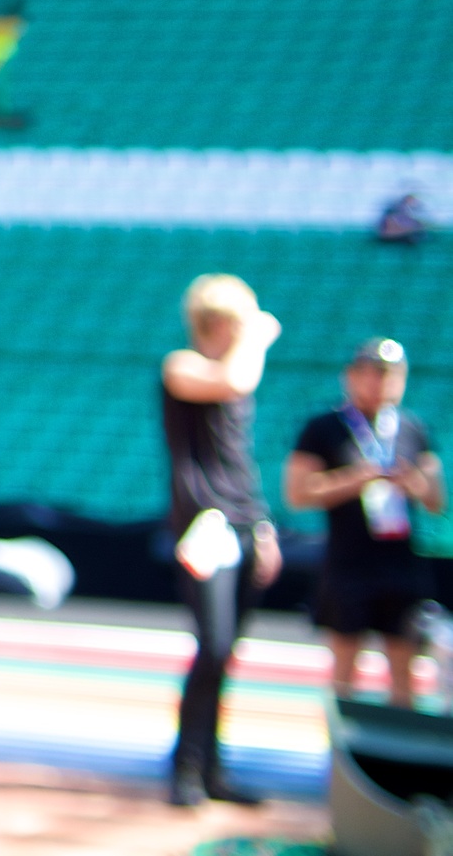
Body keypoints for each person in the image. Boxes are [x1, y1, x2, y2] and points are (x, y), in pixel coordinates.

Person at [162, 272, 284, 808]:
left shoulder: (235, 387)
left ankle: (212, 767)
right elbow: (235, 379)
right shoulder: (181, 368)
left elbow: (239, 462)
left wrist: (262, 526)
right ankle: (186, 768)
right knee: (210, 643)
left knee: (226, 650)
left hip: (241, 523)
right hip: (203, 528)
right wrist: (257, 336)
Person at [285, 339, 444, 707]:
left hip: (401, 563)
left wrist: (413, 484)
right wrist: (356, 479)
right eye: (372, 373)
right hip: (348, 563)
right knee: (344, 669)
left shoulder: (412, 427)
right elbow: (298, 493)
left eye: (390, 375)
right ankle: (340, 755)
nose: (380, 383)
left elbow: (436, 500)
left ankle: (404, 754)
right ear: (352, 377)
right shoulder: (323, 428)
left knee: (406, 671)